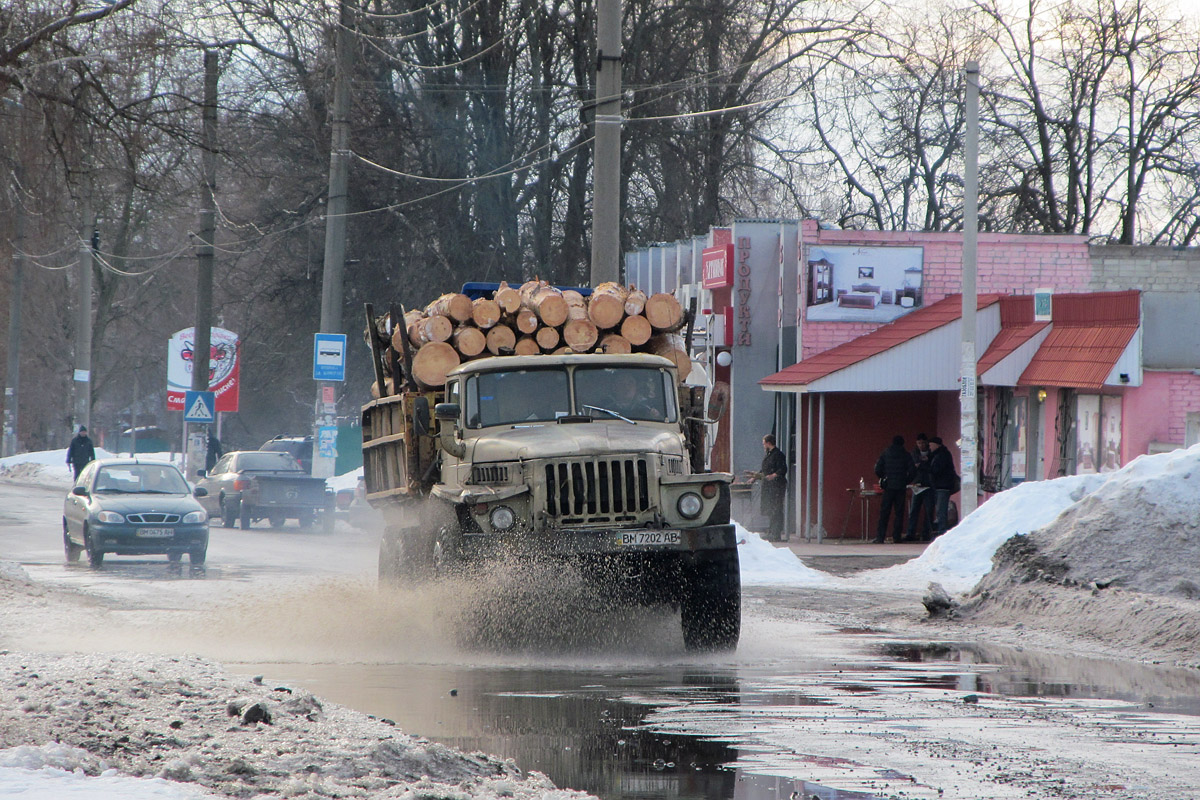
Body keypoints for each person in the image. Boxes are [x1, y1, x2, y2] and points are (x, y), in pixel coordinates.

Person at [873, 435, 913, 543]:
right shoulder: (906, 455)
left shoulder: (886, 453)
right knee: (899, 512)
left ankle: (880, 537)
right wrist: (906, 480)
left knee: (884, 512)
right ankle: (897, 537)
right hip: (900, 487)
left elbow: (877, 469)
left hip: (889, 486)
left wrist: (884, 478)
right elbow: (913, 470)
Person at [753, 434, 788, 541]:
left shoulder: (778, 455)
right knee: (770, 508)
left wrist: (773, 475)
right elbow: (764, 470)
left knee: (776, 508)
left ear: (768, 443)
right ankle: (771, 531)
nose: (763, 446)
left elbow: (783, 469)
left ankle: (776, 533)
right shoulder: (768, 455)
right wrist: (754, 477)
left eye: (764, 443)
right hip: (768, 486)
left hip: (777, 486)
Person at [905, 433, 935, 542]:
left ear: (926, 443)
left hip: (929, 485)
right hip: (916, 486)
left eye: (923, 442)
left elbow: (931, 467)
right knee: (913, 511)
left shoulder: (932, 453)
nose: (921, 445)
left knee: (929, 510)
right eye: (919, 443)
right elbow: (913, 467)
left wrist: (921, 465)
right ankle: (910, 533)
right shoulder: (914, 453)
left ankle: (926, 533)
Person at [928, 436, 958, 538]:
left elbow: (936, 470)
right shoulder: (940, 454)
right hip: (941, 486)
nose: (929, 447)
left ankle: (942, 532)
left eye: (931, 445)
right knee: (940, 510)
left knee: (941, 510)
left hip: (942, 486)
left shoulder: (941, 455)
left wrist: (926, 467)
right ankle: (941, 530)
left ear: (937, 445)